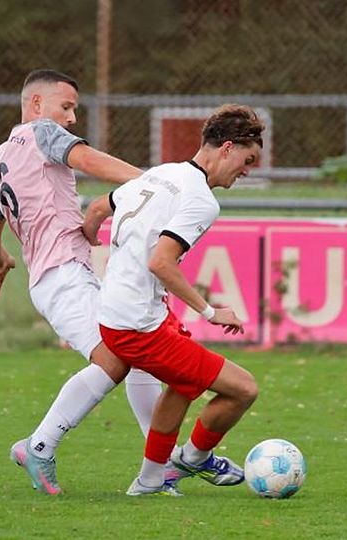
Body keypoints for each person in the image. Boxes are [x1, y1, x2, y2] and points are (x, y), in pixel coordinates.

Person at [0, 69, 164, 496]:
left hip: (58, 274)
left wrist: (1, 260)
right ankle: (39, 445)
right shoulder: (41, 132)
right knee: (115, 358)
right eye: (67, 107)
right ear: (37, 105)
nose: (72, 119)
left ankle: (161, 463)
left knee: (137, 351)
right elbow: (88, 160)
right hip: (62, 277)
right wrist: (155, 181)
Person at [83, 103, 263, 496]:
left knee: (183, 383)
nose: (247, 170)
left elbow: (97, 208)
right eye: (248, 160)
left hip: (116, 311)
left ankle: (151, 479)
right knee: (244, 389)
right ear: (228, 148)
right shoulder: (201, 200)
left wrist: (92, 242)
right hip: (138, 325)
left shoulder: (163, 172)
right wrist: (211, 311)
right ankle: (192, 459)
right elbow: (161, 263)